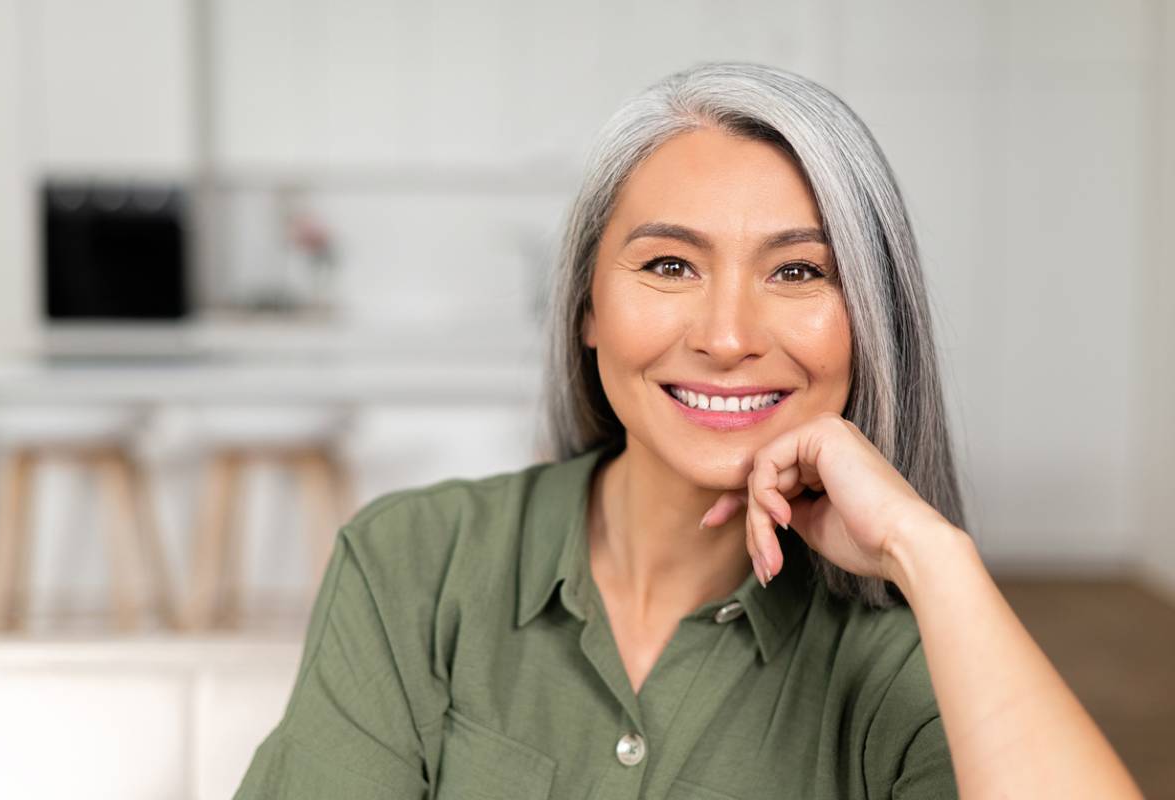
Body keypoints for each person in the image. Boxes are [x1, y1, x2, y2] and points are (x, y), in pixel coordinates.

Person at [234, 62, 1142, 799]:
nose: (729, 337)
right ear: (586, 309)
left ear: (873, 320)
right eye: (670, 264)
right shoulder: (411, 568)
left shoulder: (919, 664)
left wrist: (929, 554)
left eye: (797, 274)